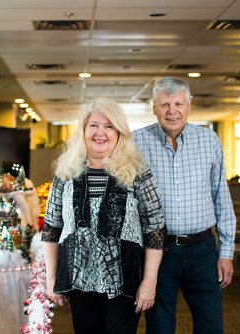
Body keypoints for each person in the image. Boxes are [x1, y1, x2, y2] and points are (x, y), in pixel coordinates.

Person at [42, 97, 166, 333]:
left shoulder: (137, 172)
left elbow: (155, 231)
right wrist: (51, 280)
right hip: (79, 282)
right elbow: (51, 229)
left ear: (119, 133)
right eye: (94, 125)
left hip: (125, 282)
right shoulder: (66, 172)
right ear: (83, 130)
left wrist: (149, 283)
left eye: (109, 126)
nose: (101, 132)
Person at [132, 77, 236, 334]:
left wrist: (226, 252)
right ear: (154, 107)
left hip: (202, 250)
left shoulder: (208, 139)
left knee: (211, 325)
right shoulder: (136, 142)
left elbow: (221, 196)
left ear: (189, 106)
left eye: (178, 103)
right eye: (165, 104)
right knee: (160, 327)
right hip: (158, 251)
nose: (172, 110)